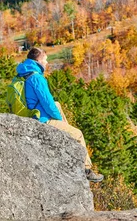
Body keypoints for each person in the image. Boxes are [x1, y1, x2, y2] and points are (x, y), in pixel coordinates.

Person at [16, 47, 104, 183]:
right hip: (41, 119)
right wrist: (58, 120)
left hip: (31, 114)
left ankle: (66, 130)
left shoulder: (24, 73)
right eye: (45, 60)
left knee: (57, 104)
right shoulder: (36, 78)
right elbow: (48, 103)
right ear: (38, 60)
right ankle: (86, 169)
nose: (46, 63)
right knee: (78, 134)